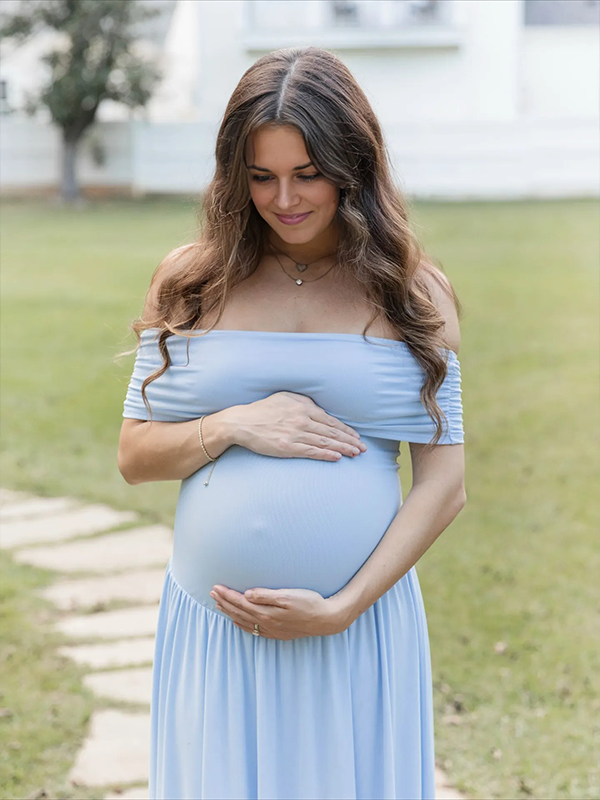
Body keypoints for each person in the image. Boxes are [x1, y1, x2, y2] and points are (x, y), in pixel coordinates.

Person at [118, 45, 466, 800]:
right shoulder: (191, 280)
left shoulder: (414, 293)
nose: (286, 198)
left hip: (357, 630)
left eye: (308, 173)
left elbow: (445, 486)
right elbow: (136, 456)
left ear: (353, 165)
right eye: (262, 175)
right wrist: (235, 424)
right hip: (217, 635)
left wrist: (342, 609)